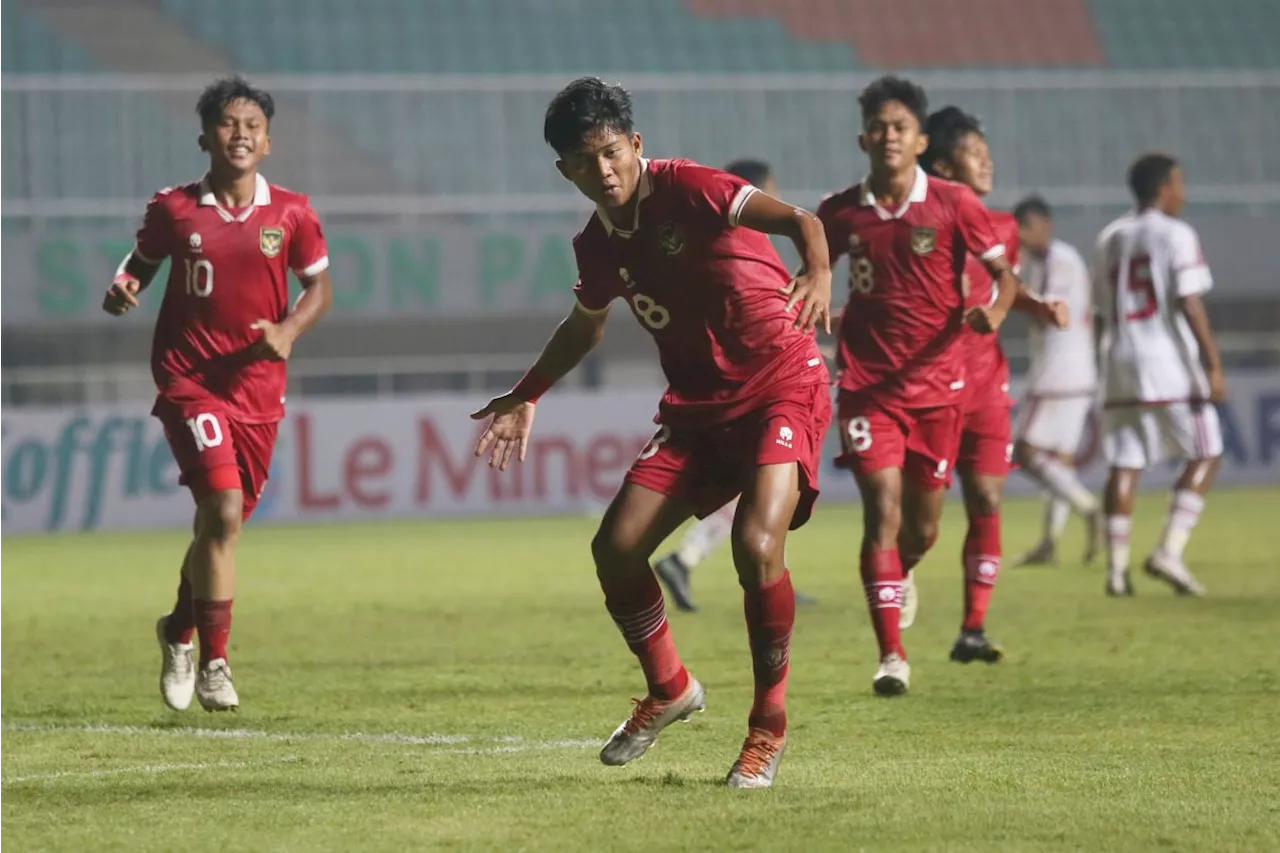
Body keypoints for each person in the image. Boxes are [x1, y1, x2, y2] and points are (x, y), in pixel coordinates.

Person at [470, 78, 833, 788]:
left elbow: (801, 221)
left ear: (635, 145)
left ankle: (768, 726)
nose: (602, 172)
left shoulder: (693, 189)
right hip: (698, 409)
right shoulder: (595, 244)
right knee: (616, 548)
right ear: (565, 170)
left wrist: (818, 272)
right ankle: (670, 687)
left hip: (779, 386)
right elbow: (586, 324)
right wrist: (526, 393)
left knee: (756, 545)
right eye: (584, 161)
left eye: (611, 152)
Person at [102, 77, 333, 712]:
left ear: (268, 141)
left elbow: (320, 290)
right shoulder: (175, 208)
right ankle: (215, 664)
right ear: (205, 136)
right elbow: (140, 263)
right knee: (223, 511)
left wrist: (287, 331)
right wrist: (124, 288)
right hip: (189, 379)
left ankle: (177, 629)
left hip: (259, 388)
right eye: (228, 123)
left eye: (251, 125)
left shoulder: (291, 211)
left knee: (218, 526)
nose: (240, 133)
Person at [817, 77, 1021, 696]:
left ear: (919, 139)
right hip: (868, 389)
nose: (888, 136)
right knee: (881, 507)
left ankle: (900, 573)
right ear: (863, 137)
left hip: (938, 390)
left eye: (900, 127)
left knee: (923, 529)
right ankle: (891, 657)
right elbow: (813, 273)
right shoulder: (839, 211)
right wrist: (812, 302)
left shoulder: (956, 204)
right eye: (878, 126)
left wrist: (1000, 310)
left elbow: (1003, 277)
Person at [918, 107, 1067, 664]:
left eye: (987, 152)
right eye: (975, 153)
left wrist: (1036, 305)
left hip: (984, 385)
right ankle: (898, 574)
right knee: (919, 523)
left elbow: (1007, 286)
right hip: (925, 386)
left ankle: (972, 628)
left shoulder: (1004, 226)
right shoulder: (911, 221)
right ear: (942, 162)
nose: (988, 161)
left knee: (986, 497)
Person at [652, 158, 819, 613]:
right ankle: (692, 559)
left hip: (758, 379)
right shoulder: (738, 235)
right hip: (750, 388)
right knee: (765, 485)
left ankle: (763, 571)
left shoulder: (733, 243)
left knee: (767, 489)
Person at [1094, 152, 1224, 597]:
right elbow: (1189, 302)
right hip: (1166, 363)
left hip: (1118, 362)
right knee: (1207, 452)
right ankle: (1169, 550)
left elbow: (1098, 312)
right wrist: (1212, 365)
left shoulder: (1109, 236)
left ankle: (1115, 572)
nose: (1183, 193)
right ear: (1163, 188)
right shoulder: (1177, 234)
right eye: (1179, 184)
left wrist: (1103, 363)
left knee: (1124, 462)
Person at [1010, 195, 1102, 566]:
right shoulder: (1044, 261)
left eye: (1024, 228)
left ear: (1043, 224)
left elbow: (1050, 312)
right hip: (1078, 372)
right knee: (1059, 462)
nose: (1020, 237)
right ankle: (1050, 542)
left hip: (1057, 372)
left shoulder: (1059, 261)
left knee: (1024, 451)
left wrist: (1007, 295)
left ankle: (1087, 506)